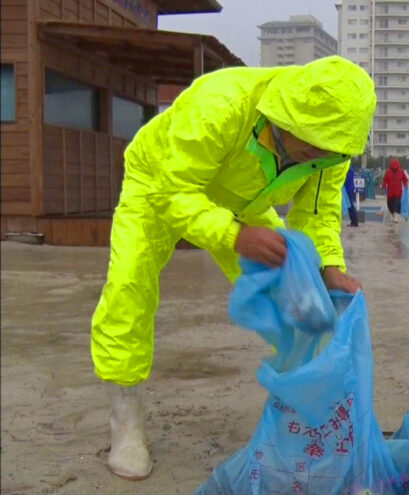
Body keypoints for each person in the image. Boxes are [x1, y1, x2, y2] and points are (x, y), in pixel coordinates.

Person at [90, 55, 376, 480]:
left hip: (245, 203)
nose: (316, 157)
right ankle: (125, 418)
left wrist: (329, 266)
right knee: (130, 286)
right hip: (160, 182)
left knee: (299, 295)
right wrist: (235, 236)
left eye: (328, 151)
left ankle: (301, 414)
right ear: (287, 117)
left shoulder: (332, 149)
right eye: (310, 145)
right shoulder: (220, 103)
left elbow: (316, 213)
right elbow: (175, 190)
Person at [381, 158, 408, 223]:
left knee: (397, 204)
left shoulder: (401, 171)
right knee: (389, 204)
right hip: (390, 192)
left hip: (398, 192)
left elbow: (405, 179)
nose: (394, 169)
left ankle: (396, 216)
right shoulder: (388, 172)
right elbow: (384, 181)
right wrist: (384, 187)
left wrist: (405, 185)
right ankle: (393, 214)